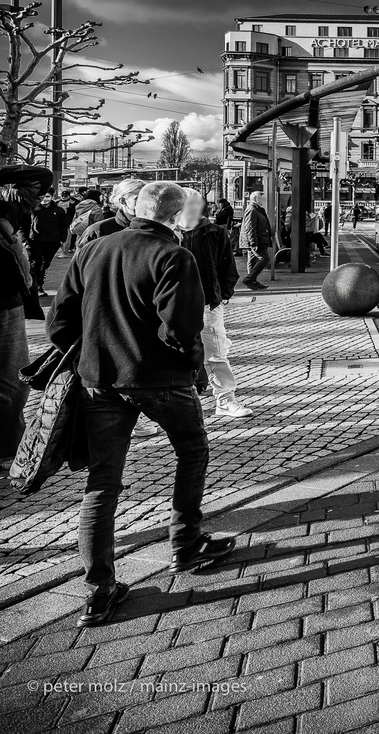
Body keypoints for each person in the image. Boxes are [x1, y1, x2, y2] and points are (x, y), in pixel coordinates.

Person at [48, 181, 237, 627]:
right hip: (160, 379)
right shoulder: (174, 255)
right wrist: (189, 364)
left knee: (103, 482)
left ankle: (98, 590)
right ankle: (185, 544)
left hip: (100, 380)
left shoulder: (94, 248)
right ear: (175, 217)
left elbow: (59, 323)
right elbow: (183, 327)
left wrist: (94, 349)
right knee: (192, 450)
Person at [176, 191, 250, 419]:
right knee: (171, 355)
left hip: (208, 303)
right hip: (173, 305)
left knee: (216, 354)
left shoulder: (215, 232)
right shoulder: (167, 233)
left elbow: (227, 266)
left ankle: (225, 400)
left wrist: (222, 295)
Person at [0, 165, 53, 465]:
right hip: (5, 303)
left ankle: (9, 449)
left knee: (12, 382)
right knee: (10, 380)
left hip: (8, 300)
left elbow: (42, 175)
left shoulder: (8, 209)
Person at [82, 178, 145, 246]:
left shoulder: (154, 228)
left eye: (148, 198)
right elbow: (83, 255)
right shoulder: (99, 230)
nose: (145, 203)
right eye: (138, 199)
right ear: (122, 201)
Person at [29, 190, 67, 294]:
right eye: (43, 196)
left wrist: (62, 239)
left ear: (52, 197)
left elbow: (64, 225)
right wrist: (25, 240)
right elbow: (24, 226)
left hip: (52, 242)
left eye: (47, 196)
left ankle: (39, 284)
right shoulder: (33, 209)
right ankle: (35, 286)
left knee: (45, 264)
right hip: (35, 241)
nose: (45, 199)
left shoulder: (59, 210)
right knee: (35, 264)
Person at [238, 191, 273, 290]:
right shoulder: (252, 210)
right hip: (256, 240)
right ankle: (249, 279)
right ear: (257, 199)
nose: (264, 200)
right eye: (262, 198)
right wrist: (253, 242)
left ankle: (252, 281)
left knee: (252, 260)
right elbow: (250, 227)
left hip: (258, 238)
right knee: (264, 258)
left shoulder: (257, 209)